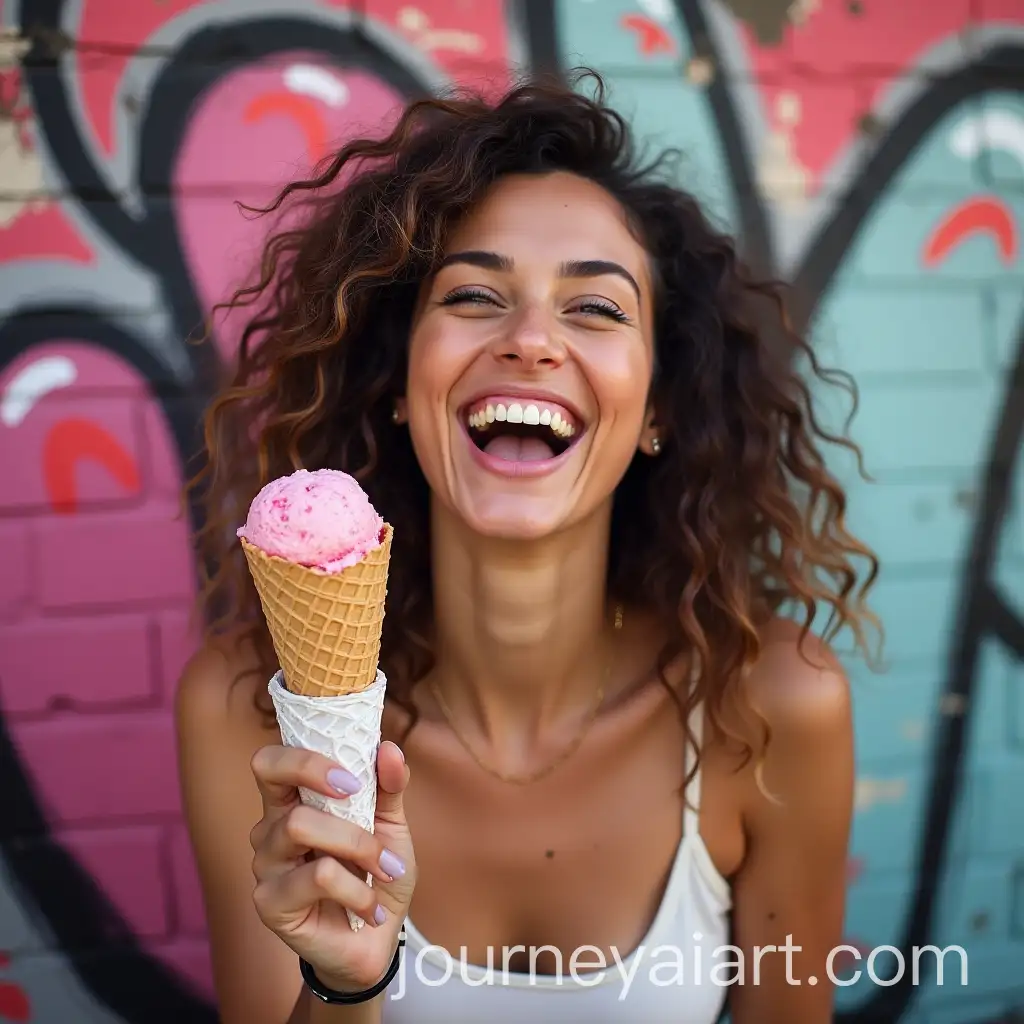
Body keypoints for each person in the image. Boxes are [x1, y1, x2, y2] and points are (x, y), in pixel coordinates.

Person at [175, 70, 879, 1024]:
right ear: (398, 376)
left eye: (595, 308)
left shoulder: (772, 708)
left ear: (658, 408)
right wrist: (344, 983)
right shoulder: (252, 712)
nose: (532, 340)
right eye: (473, 295)